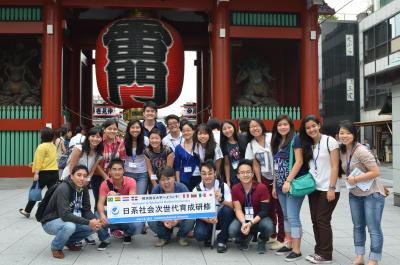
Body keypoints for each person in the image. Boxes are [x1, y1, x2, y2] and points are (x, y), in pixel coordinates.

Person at [338, 120, 386, 265]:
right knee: (358, 226)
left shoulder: (361, 150)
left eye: (348, 133)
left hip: (372, 194)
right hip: (355, 194)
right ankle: (359, 256)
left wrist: (356, 179)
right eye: (341, 133)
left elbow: (376, 171)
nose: (344, 135)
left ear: (354, 134)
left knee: (373, 228)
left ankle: (374, 259)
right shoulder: (343, 150)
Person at [299, 115, 340, 264]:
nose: (311, 129)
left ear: (319, 125)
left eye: (313, 126)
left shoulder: (330, 141)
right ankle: (319, 251)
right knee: (315, 220)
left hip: (328, 188)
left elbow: (335, 166)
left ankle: (326, 254)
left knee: (322, 220)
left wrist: (332, 187)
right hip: (314, 188)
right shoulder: (308, 144)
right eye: (308, 128)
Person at [41, 165, 101, 259]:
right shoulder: (64, 188)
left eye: (85, 176)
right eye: (79, 175)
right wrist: (88, 222)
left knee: (93, 227)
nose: (82, 178)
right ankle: (56, 247)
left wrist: (94, 220)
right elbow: (64, 215)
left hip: (70, 219)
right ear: (72, 176)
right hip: (51, 221)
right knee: (69, 226)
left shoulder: (83, 188)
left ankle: (69, 242)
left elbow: (86, 210)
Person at [245, 119, 285, 251]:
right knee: (269, 207)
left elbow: (278, 159)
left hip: (278, 176)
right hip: (263, 178)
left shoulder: (271, 138)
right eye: (251, 127)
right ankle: (272, 234)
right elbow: (255, 164)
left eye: (257, 126)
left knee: (279, 208)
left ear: (262, 126)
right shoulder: (251, 145)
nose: (254, 128)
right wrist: (260, 183)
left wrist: (275, 180)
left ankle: (281, 237)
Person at [96, 158, 143, 250]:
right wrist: (102, 215)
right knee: (97, 214)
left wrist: (118, 196)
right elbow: (100, 203)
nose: (117, 172)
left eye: (119, 169)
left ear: (124, 170)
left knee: (139, 225)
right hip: (112, 212)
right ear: (109, 171)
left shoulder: (131, 181)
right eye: (114, 169)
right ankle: (105, 239)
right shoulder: (104, 184)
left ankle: (127, 234)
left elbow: (132, 201)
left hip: (126, 213)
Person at [228, 159, 274, 254]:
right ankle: (246, 236)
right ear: (238, 175)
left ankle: (262, 239)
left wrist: (251, 223)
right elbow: (238, 209)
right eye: (242, 173)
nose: (245, 175)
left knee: (269, 227)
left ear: (253, 174)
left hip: (259, 218)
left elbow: (264, 211)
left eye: (248, 172)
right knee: (232, 230)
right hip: (244, 218)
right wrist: (244, 223)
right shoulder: (235, 188)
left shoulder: (262, 187)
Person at [193, 160, 235, 253]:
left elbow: (233, 206)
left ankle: (222, 240)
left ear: (215, 173)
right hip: (206, 219)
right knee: (199, 235)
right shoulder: (197, 189)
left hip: (220, 217)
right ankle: (208, 235)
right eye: (204, 174)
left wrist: (221, 200)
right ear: (200, 174)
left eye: (210, 173)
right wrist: (207, 219)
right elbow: (194, 212)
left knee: (227, 210)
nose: (207, 176)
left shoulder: (223, 186)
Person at [148, 166, 195, 247]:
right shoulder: (156, 190)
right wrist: (164, 220)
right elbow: (152, 210)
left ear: (173, 178)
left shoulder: (182, 188)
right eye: (162, 180)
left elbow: (189, 208)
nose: (166, 182)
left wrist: (176, 220)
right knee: (150, 220)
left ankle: (182, 236)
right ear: (158, 181)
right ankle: (164, 237)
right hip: (163, 219)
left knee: (191, 218)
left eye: (168, 178)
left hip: (180, 218)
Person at [19, 127, 59, 218]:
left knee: (35, 191)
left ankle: (27, 211)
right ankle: (51, 210)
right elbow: (49, 159)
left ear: (43, 136)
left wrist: (36, 173)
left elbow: (39, 160)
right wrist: (34, 164)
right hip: (54, 172)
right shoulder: (53, 145)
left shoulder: (41, 147)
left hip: (44, 173)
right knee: (52, 193)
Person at [93, 119, 126, 213]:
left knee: (113, 202)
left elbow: (122, 159)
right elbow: (95, 162)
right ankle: (99, 225)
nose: (112, 131)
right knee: (99, 201)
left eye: (115, 129)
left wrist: (117, 175)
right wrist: (106, 177)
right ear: (104, 129)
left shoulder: (120, 143)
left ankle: (114, 226)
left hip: (115, 177)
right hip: (98, 176)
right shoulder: (99, 141)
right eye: (109, 129)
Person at [124, 119, 149, 195]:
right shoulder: (124, 141)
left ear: (141, 129)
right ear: (129, 129)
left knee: (139, 198)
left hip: (142, 174)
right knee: (129, 199)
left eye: (137, 127)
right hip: (128, 173)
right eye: (132, 127)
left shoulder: (146, 140)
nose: (135, 130)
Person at [173, 121, 201, 190]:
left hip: (200, 177)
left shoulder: (199, 144)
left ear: (193, 131)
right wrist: (178, 182)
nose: (186, 133)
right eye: (184, 131)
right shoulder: (178, 148)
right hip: (185, 179)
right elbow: (177, 166)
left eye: (188, 130)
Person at [220, 120, 247, 187]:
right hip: (234, 176)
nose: (227, 130)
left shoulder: (242, 138)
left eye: (229, 127)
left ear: (234, 127)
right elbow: (226, 164)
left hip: (246, 173)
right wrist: (228, 181)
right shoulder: (224, 144)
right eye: (224, 129)